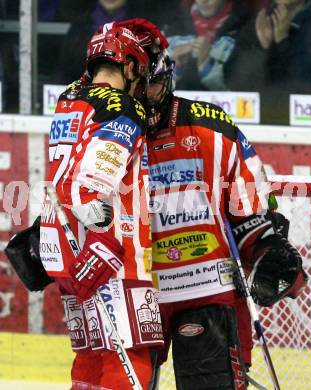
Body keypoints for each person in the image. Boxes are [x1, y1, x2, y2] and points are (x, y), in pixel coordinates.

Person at [136, 41, 307, 388]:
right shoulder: (107, 136)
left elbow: (251, 207)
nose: (143, 94)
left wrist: (267, 248)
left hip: (207, 288)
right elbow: (79, 195)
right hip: (134, 294)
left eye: (151, 84)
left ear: (167, 80)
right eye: (136, 85)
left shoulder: (211, 128)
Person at [40, 22, 166, 390]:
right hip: (107, 250)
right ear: (128, 66)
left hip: (63, 246)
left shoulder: (70, 97)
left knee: (91, 354)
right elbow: (90, 183)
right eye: (138, 69)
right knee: (130, 352)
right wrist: (94, 209)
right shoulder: (124, 108)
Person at [165, 0, 248, 90]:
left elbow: (245, 93)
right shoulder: (173, 28)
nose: (204, 1)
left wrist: (206, 64)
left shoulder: (245, 30)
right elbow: (155, 92)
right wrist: (175, 68)